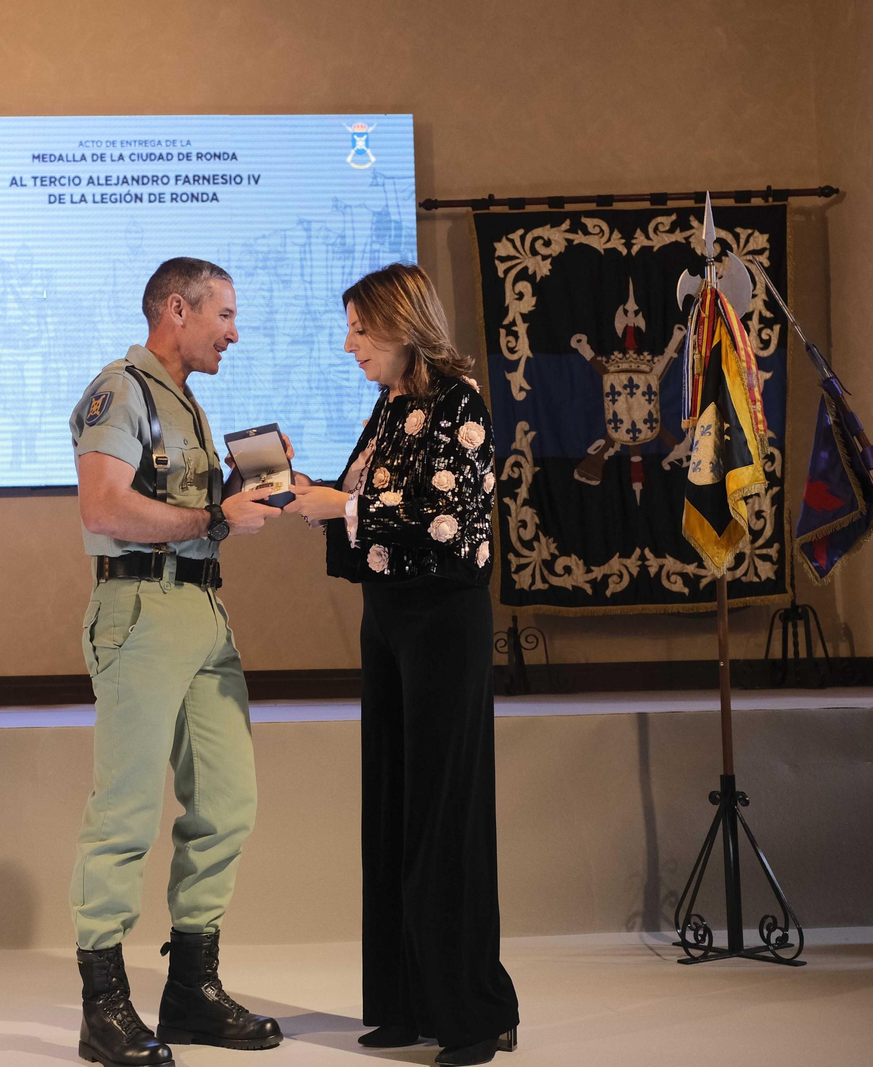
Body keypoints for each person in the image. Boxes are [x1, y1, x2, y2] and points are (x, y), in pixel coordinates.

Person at [285, 263, 519, 1066]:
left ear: (399, 324)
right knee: (392, 804)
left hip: (442, 627)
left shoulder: (459, 403)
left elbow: (451, 524)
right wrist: (308, 488)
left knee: (443, 816)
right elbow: (368, 499)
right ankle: (407, 1000)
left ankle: (472, 1014)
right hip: (388, 624)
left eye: (358, 328)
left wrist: (341, 505)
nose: (348, 345)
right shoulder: (392, 405)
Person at [68, 257, 286, 1066]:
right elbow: (103, 505)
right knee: (124, 811)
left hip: (200, 608)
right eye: (223, 313)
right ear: (176, 308)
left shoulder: (184, 399)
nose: (234, 330)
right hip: (140, 609)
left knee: (227, 803)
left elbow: (191, 516)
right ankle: (104, 1007)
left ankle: (191, 989)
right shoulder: (119, 387)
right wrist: (211, 512)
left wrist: (240, 491)